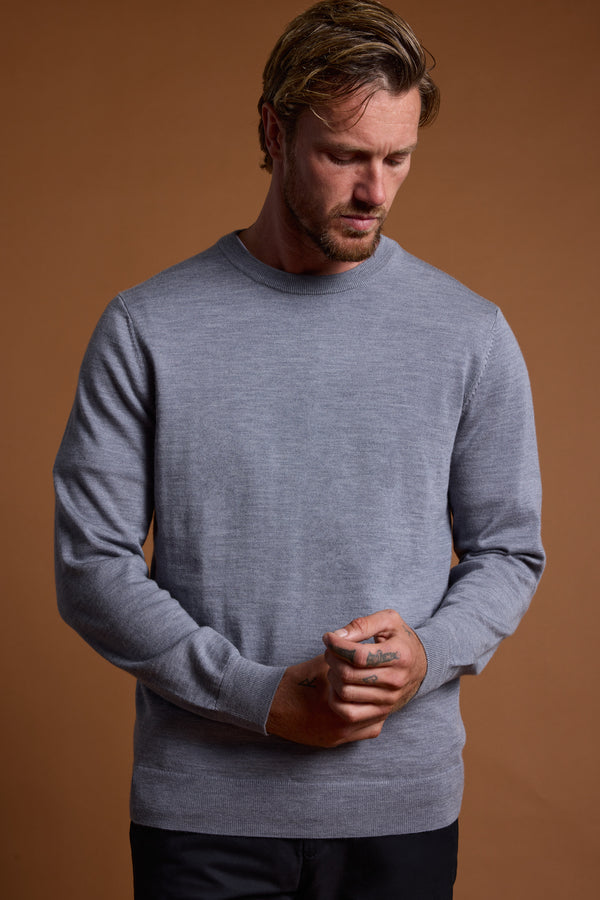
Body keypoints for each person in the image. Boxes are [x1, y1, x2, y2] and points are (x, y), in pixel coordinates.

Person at [53, 1, 545, 897]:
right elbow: (90, 565)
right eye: (345, 157)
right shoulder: (147, 327)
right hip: (203, 815)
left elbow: (510, 551)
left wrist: (426, 658)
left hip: (401, 807)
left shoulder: (469, 334)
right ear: (273, 133)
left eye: (397, 159)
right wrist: (260, 698)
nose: (375, 193)